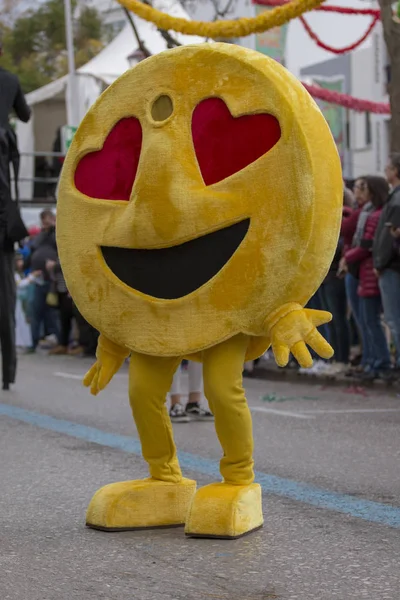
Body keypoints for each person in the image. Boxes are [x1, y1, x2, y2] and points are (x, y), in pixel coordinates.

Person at [0, 38, 31, 389]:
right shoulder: (9, 80)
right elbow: (25, 114)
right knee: (5, 295)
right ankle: (7, 373)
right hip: (1, 216)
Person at [345, 176, 392, 380]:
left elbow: (366, 244)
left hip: (369, 272)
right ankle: (370, 361)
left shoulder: (375, 214)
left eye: (362, 187)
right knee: (364, 320)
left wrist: (346, 257)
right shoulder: (367, 212)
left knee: (371, 320)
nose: (359, 191)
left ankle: (379, 362)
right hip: (363, 272)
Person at [373, 154, 400, 371]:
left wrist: (380, 262)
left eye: (388, 167)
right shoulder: (394, 197)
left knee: (394, 320)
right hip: (388, 265)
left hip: (391, 267)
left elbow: (391, 236)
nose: (385, 171)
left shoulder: (397, 199)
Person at [28, 209, 60, 350]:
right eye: (43, 219)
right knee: (35, 311)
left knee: (53, 313)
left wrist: (53, 227)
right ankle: (33, 342)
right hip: (39, 279)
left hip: (53, 280)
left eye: (47, 219)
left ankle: (60, 342)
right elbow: (34, 246)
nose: (45, 222)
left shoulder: (56, 233)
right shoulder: (41, 235)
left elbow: (58, 243)